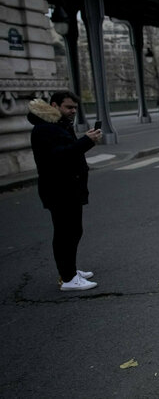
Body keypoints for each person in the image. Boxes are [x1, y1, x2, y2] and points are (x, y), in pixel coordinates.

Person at [28, 90, 102, 291]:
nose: (73, 111)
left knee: (73, 231)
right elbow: (59, 157)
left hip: (68, 188)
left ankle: (70, 270)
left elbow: (68, 152)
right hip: (59, 190)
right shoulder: (45, 129)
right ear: (54, 106)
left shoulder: (57, 125)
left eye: (75, 108)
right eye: (69, 107)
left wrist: (85, 142)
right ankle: (68, 278)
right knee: (65, 234)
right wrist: (86, 141)